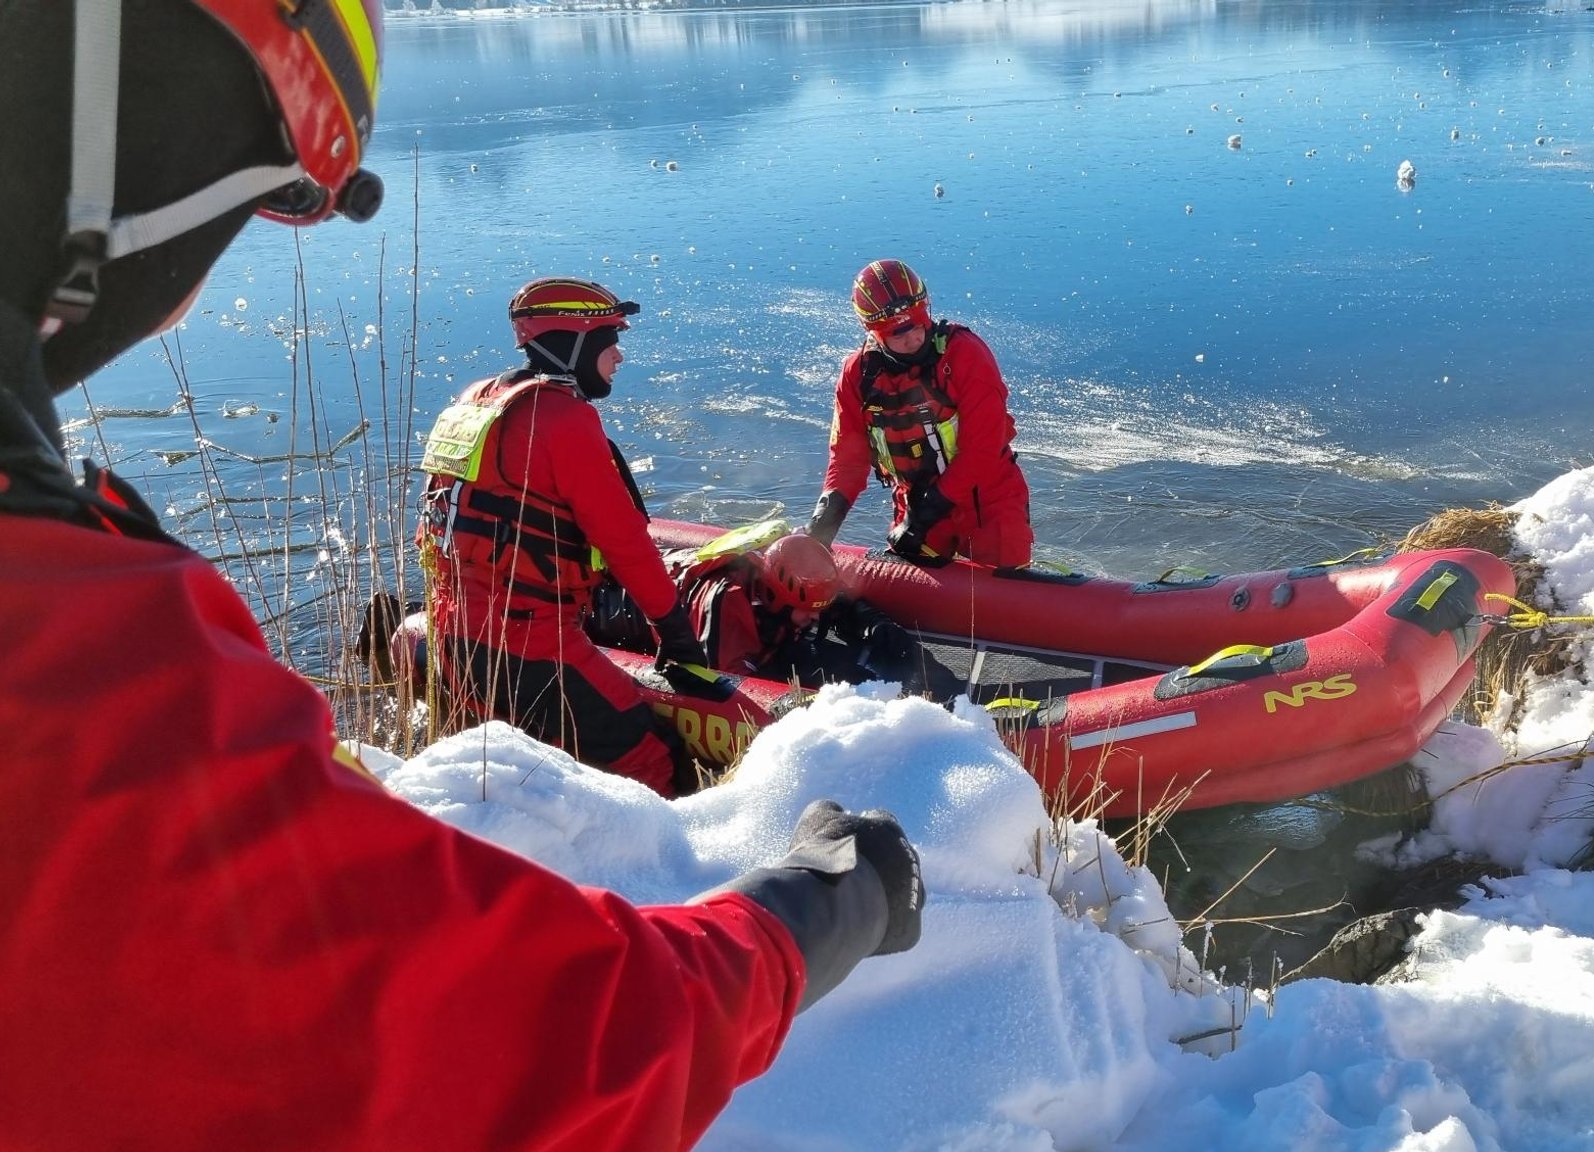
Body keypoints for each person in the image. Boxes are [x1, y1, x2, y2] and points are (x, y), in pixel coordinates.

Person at [0, 5, 921, 1150]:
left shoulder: (466, 412)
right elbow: (550, 1042)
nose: (199, 280)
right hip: (549, 659)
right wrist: (822, 898)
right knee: (646, 755)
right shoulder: (82, 648)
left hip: (466, 642)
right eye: (256, 189)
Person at [417, 276, 709, 797]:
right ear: (575, 344)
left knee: (531, 766)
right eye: (608, 339)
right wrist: (674, 631)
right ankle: (658, 876)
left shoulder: (475, 401)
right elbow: (624, 543)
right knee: (657, 757)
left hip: (453, 632)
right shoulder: (564, 419)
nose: (618, 355)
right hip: (529, 642)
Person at [805, 258, 1033, 568]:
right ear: (872, 330)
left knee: (1006, 599)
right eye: (898, 334)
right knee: (913, 605)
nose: (913, 339)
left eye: (919, 324)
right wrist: (822, 525)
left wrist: (924, 515)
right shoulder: (858, 376)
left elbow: (983, 450)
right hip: (914, 501)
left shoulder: (966, 355)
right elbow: (848, 458)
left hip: (987, 499)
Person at [677, 530, 965, 696]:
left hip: (776, 637)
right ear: (780, 600)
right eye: (807, 613)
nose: (814, 619)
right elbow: (732, 688)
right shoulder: (728, 604)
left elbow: (837, 605)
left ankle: (952, 694)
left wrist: (874, 625)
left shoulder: (801, 575)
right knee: (830, 672)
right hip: (647, 613)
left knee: (872, 656)